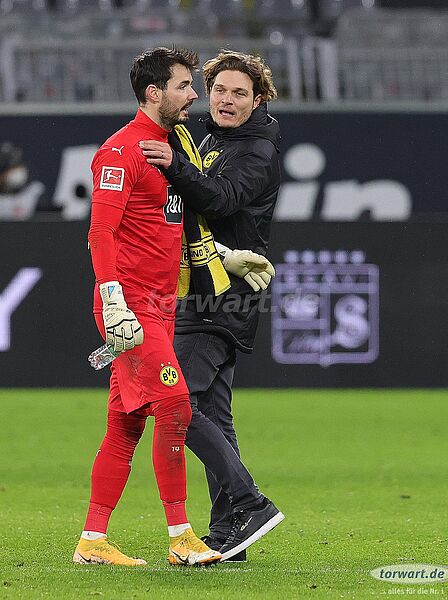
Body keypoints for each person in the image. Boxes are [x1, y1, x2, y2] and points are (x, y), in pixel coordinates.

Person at [73, 47, 229, 568]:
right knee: (177, 405)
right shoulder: (121, 151)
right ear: (153, 93)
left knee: (125, 425)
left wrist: (225, 256)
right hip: (130, 306)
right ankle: (181, 536)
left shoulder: (172, 149)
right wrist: (113, 301)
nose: (194, 94)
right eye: (184, 85)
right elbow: (101, 232)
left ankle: (92, 541)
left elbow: (176, 226)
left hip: (161, 304)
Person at [139, 50, 284, 561]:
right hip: (209, 286)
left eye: (239, 93)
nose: (226, 100)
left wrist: (175, 165)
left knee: (176, 403)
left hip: (219, 293)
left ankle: (250, 504)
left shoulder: (256, 149)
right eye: (220, 89)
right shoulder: (216, 139)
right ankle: (230, 532)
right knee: (214, 415)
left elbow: (221, 199)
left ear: (257, 100)